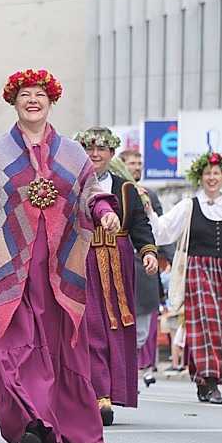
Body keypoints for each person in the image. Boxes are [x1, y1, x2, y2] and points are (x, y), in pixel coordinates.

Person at [0, 69, 117, 443]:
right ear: (13, 102)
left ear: (51, 102)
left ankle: (57, 426)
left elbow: (91, 193)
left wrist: (105, 213)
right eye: (24, 95)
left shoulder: (72, 153)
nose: (32, 100)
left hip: (59, 266)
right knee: (14, 345)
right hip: (11, 268)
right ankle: (30, 424)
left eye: (39, 94)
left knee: (56, 342)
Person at [75, 128, 158, 426]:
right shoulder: (72, 185)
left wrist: (148, 252)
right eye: (88, 149)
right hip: (83, 261)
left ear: (112, 154)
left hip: (119, 266)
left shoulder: (126, 188)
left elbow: (139, 225)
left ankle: (112, 392)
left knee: (117, 327)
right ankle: (97, 394)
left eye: (101, 149)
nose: (95, 154)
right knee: (92, 325)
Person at [145, 151, 222, 405]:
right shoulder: (189, 206)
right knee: (206, 325)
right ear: (200, 177)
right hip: (199, 272)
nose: (211, 178)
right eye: (207, 173)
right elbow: (162, 234)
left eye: (216, 173)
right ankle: (213, 381)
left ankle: (203, 379)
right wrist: (150, 212)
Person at [120, 149, 174, 385]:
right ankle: (120, 376)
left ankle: (127, 373)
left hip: (144, 269)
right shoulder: (115, 189)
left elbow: (160, 232)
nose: (137, 167)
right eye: (132, 163)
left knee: (140, 332)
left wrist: (172, 260)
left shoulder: (149, 195)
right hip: (118, 265)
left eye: (139, 163)